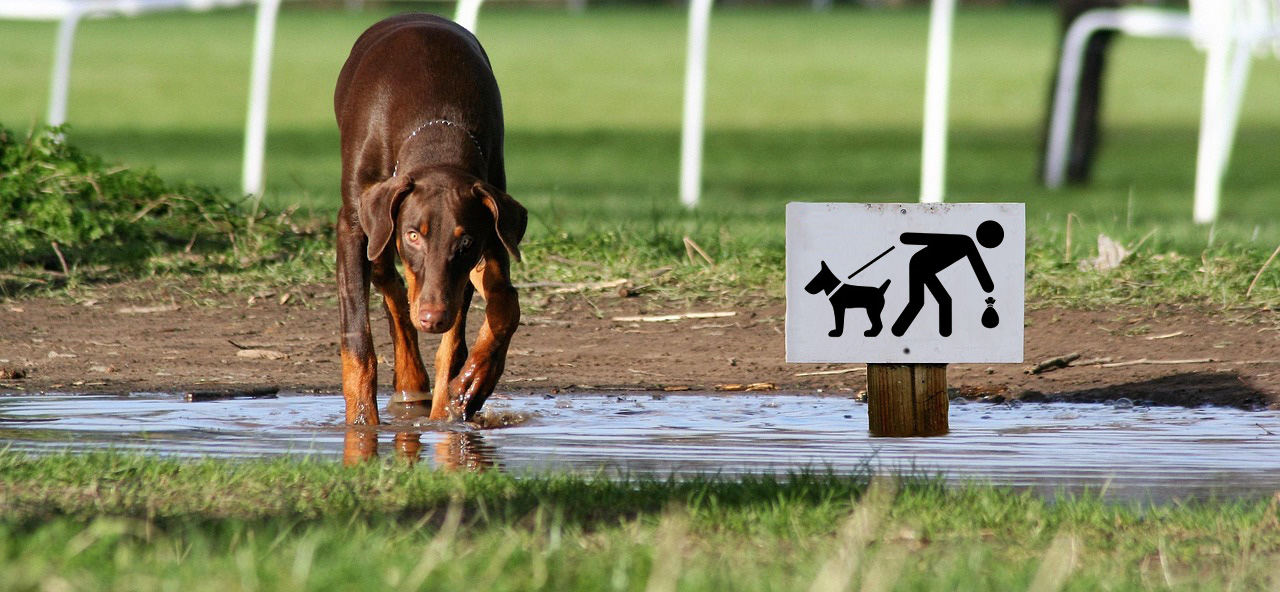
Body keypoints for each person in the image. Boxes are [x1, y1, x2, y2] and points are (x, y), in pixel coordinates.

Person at [890, 220, 1003, 337]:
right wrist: (987, 286)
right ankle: (900, 332)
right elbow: (916, 238)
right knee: (930, 301)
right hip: (919, 264)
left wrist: (987, 286)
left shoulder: (966, 243)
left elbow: (978, 267)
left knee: (926, 301)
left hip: (921, 265)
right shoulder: (965, 242)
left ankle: (900, 331)